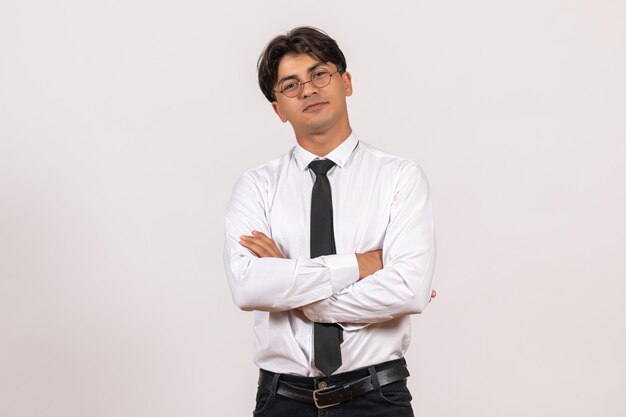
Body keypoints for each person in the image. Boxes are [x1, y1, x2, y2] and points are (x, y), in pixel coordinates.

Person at [223, 26, 437, 417]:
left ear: (346, 82)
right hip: (281, 400)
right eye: (290, 85)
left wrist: (297, 292)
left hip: (376, 397)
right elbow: (247, 286)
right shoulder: (256, 186)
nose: (308, 89)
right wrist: (361, 265)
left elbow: (408, 289)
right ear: (277, 108)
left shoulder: (400, 177)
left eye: (319, 74)